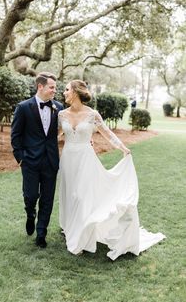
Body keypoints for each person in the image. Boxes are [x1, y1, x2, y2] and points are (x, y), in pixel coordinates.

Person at [58, 80, 165, 260]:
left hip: (85, 159)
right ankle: (72, 227)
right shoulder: (61, 114)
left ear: (76, 92)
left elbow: (107, 133)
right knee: (70, 194)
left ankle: (81, 237)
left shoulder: (92, 114)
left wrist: (123, 148)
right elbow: (55, 135)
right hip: (68, 158)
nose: (64, 93)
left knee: (81, 195)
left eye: (67, 90)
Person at [11, 72, 63, 248]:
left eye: (55, 87)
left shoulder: (59, 107)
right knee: (31, 195)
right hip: (30, 161)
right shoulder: (24, 107)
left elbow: (69, 128)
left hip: (51, 161)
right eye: (52, 87)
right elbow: (16, 135)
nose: (55, 90)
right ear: (40, 86)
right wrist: (20, 158)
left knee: (48, 199)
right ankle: (30, 213)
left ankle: (41, 233)